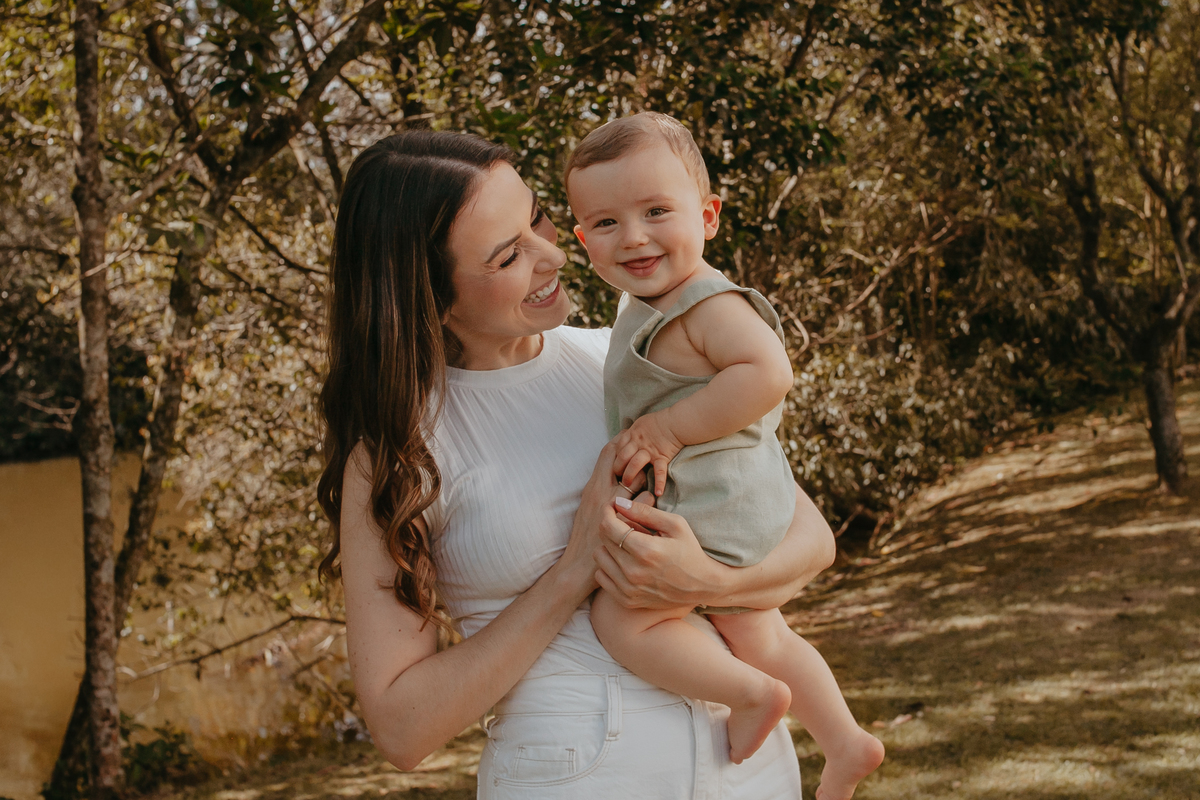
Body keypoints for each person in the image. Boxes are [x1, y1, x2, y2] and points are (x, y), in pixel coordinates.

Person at [316, 129, 836, 799]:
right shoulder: (398, 454)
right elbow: (401, 728)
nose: (554, 254)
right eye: (509, 255)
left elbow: (812, 540)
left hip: (748, 772)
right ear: (430, 295)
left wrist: (703, 580)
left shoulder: (633, 359)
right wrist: (572, 571)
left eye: (536, 217)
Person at [566, 112, 884, 799]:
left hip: (714, 504)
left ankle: (747, 696)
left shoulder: (704, 303)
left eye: (657, 211)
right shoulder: (648, 304)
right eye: (608, 222)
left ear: (708, 216)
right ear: (582, 237)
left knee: (622, 619)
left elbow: (769, 374)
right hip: (737, 501)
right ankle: (844, 740)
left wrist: (672, 430)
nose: (636, 236)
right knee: (760, 630)